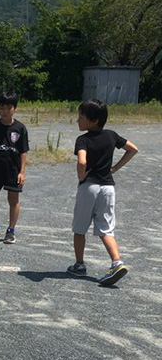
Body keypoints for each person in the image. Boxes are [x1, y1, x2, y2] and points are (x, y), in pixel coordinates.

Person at [66, 99, 138, 286]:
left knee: (79, 228)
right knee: (106, 229)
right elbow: (133, 149)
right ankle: (117, 262)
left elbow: (82, 161)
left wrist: (81, 176)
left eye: (81, 117)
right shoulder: (111, 135)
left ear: (94, 120)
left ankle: (79, 265)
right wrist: (115, 168)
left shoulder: (83, 140)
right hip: (108, 188)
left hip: (89, 187)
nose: (78, 120)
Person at [0, 91, 29, 244]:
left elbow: (23, 151)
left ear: (14, 108)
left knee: (13, 200)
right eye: (2, 108)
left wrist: (22, 172)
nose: (5, 111)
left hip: (13, 170)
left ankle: (11, 230)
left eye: (8, 108)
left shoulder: (20, 128)